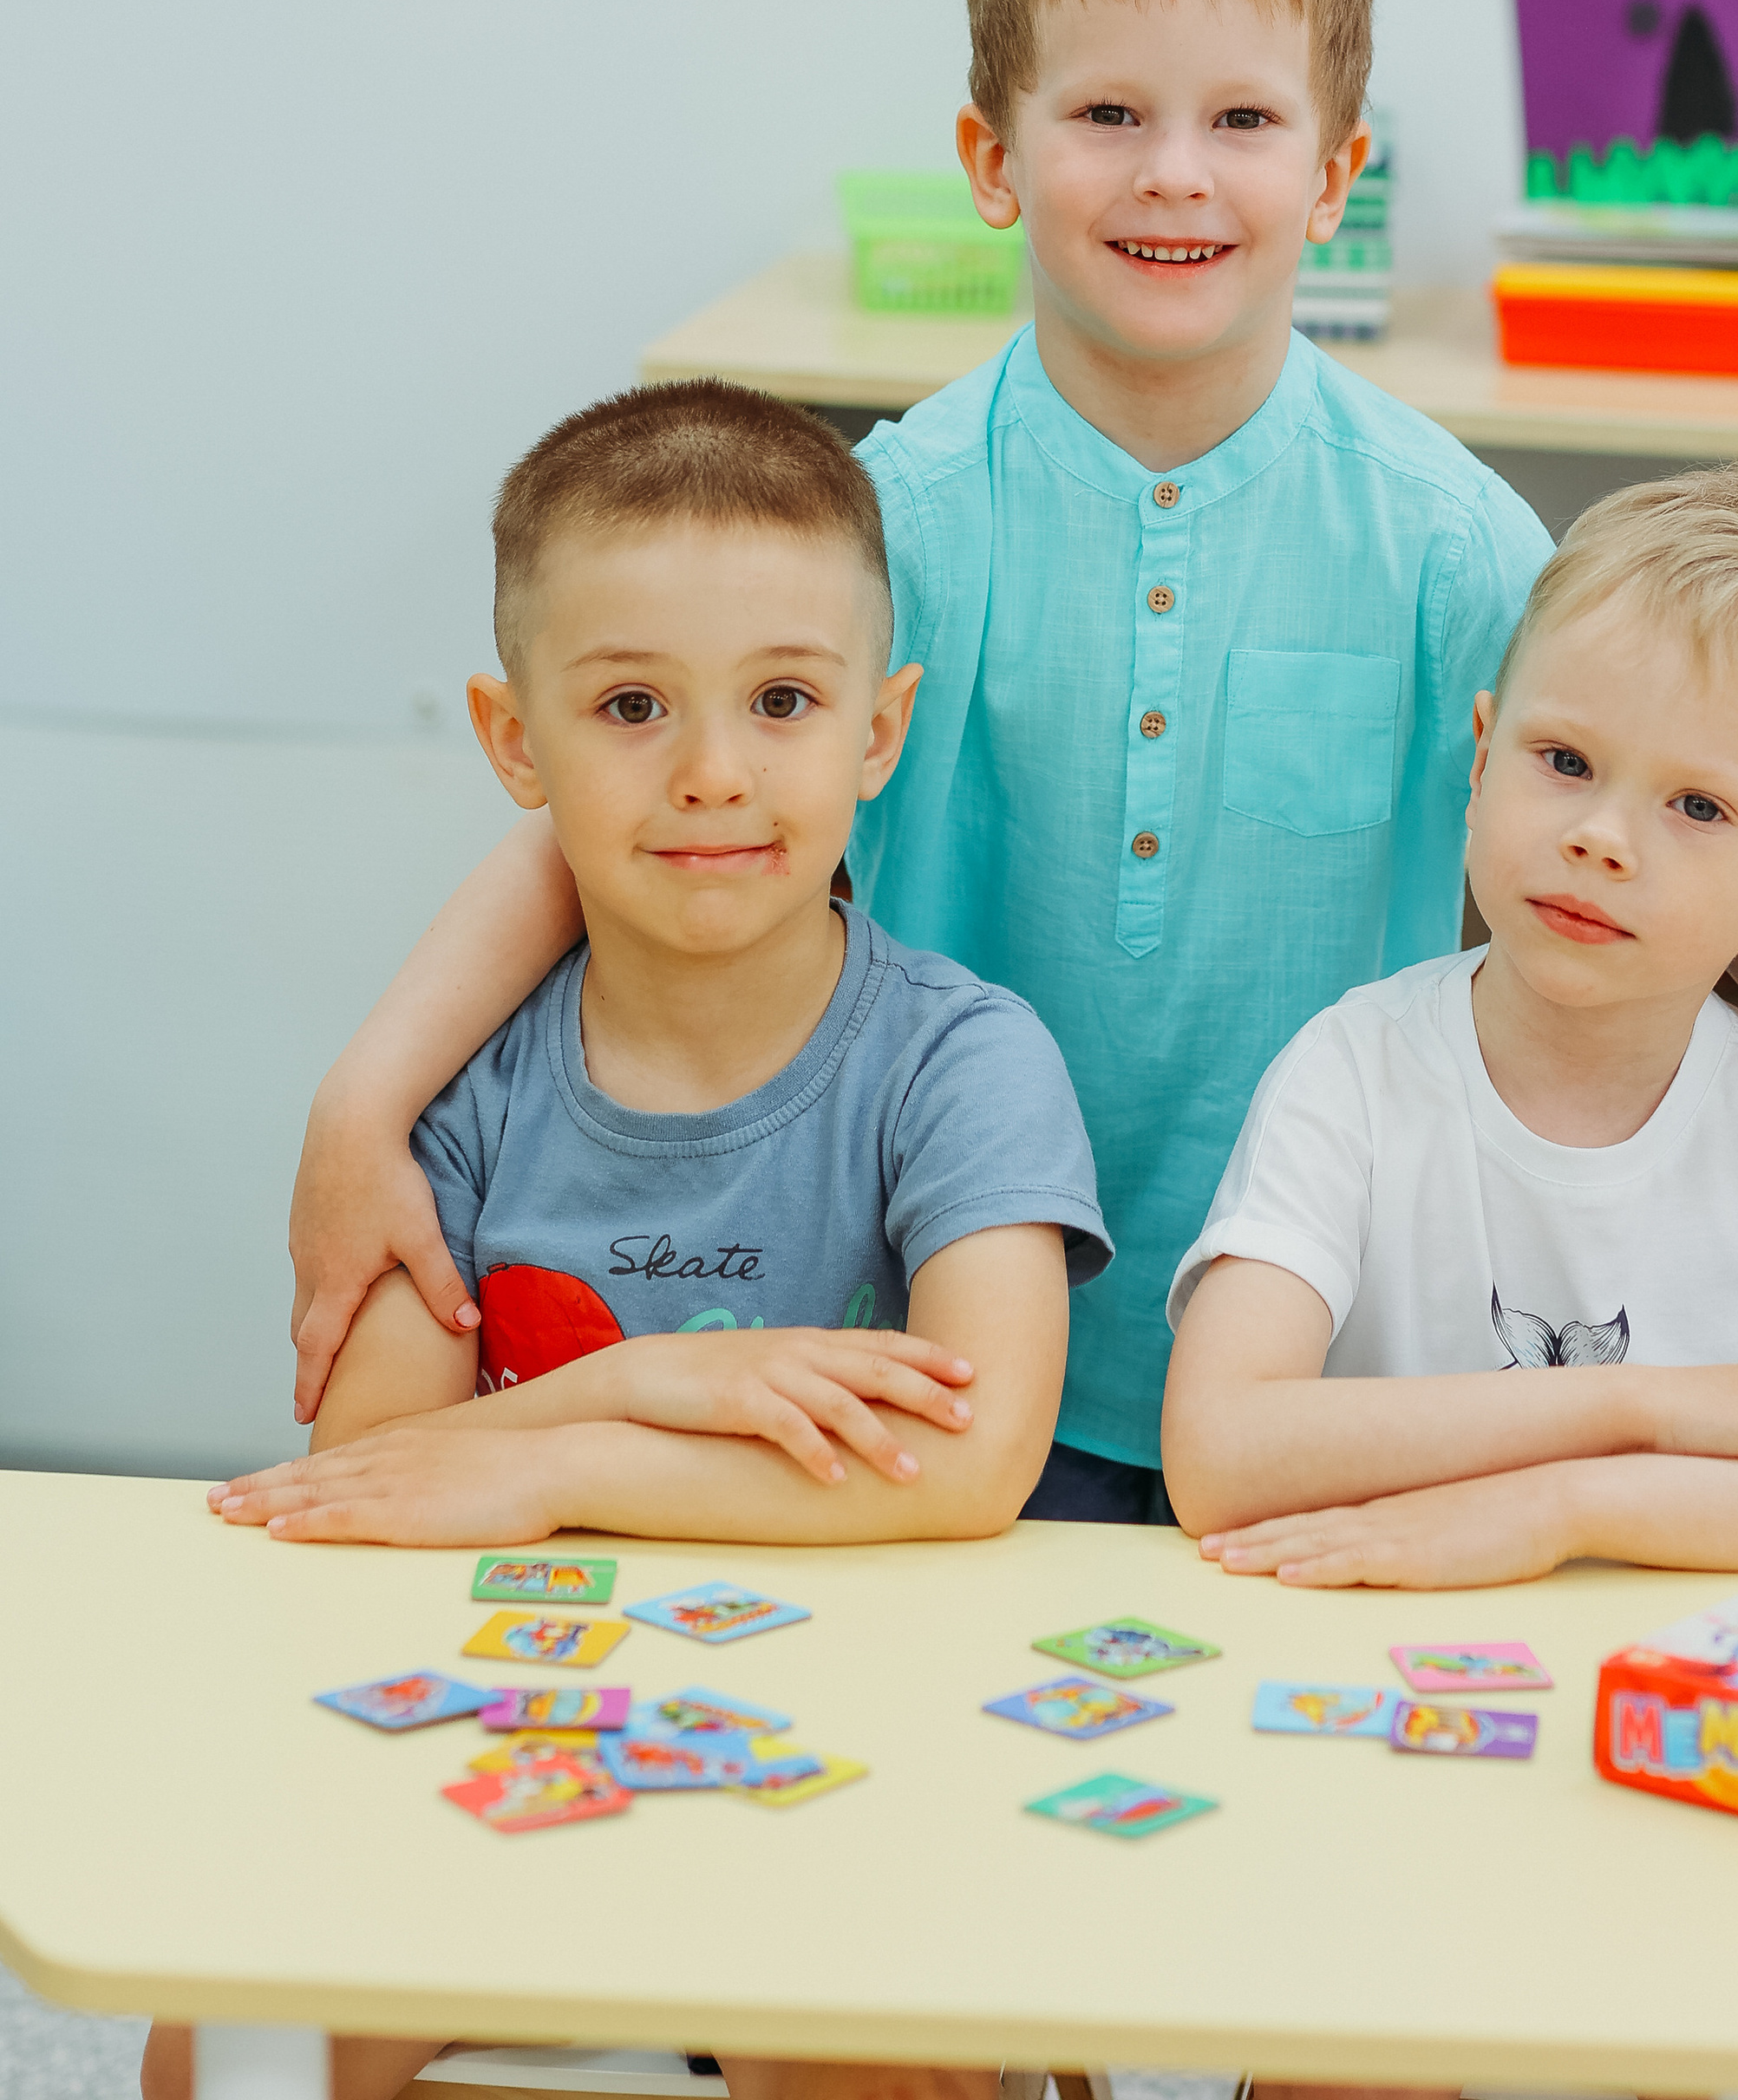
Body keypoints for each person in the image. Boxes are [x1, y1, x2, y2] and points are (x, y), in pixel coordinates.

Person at [280, 0, 1738, 1512]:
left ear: (1333, 175)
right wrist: (365, 1105)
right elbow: (621, 820)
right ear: (993, 160)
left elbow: (1698, 809)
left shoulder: (1448, 544)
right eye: (1108, 114)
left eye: (1243, 119)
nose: (1176, 171)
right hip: (921, 1343)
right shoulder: (886, 528)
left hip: (1335, 1385)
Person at [147, 382, 1105, 2100]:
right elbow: (370, 1480)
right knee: (212, 2048)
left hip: (861, 1741)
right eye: (631, 706)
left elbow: (969, 1465)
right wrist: (660, 1383)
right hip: (512, 1722)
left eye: (783, 701)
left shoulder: (966, 1063)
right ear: (514, 742)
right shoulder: (464, 1087)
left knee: (848, 2057)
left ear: (879, 730)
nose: (714, 771)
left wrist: (544, 1459)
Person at [1160, 466, 1738, 1585]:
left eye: (1698, 806)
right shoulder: (1353, 1072)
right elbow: (1217, 1456)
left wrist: (1562, 1508)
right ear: (1481, 758)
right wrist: (1644, 1406)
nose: (1601, 837)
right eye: (1564, 762)